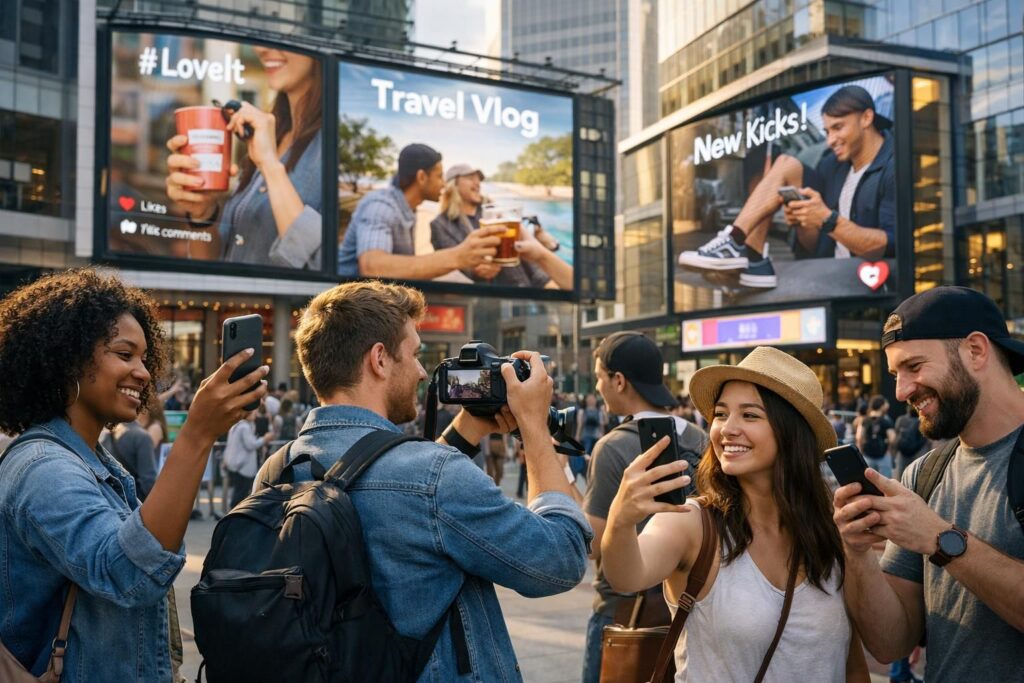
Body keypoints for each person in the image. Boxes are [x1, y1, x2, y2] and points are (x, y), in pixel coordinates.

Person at [253, 280, 591, 680]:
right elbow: (559, 559)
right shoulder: (434, 477)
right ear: (379, 359)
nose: (419, 372)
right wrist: (534, 427)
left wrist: (466, 430)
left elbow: (381, 478)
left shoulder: (277, 470)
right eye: (414, 354)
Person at [0, 268, 268, 681]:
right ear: (67, 359)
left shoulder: (101, 464)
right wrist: (197, 434)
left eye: (144, 358)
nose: (143, 373)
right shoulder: (43, 468)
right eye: (124, 355)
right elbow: (128, 574)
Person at [602, 346, 868, 681]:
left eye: (750, 415)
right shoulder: (692, 522)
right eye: (721, 414)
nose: (727, 429)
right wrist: (622, 518)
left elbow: (851, 661)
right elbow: (627, 576)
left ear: (791, 432)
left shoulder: (834, 527)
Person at [833, 286, 1024, 683]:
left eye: (914, 366)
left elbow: (938, 539)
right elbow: (890, 644)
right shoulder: (923, 474)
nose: (901, 391)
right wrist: (858, 554)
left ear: (975, 350)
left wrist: (941, 539)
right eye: (895, 375)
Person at [580, 332, 709, 683]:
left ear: (618, 380)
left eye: (599, 376)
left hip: (623, 612)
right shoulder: (702, 439)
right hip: (690, 607)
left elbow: (593, 543)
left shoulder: (613, 447)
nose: (597, 386)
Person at [679, 85, 895, 288]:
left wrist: (826, 219)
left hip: (871, 280)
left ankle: (734, 244)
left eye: (838, 128)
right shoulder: (830, 165)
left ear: (867, 118)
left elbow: (889, 247)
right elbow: (814, 246)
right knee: (785, 163)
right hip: (830, 272)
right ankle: (750, 255)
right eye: (827, 131)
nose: (830, 140)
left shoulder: (894, 165)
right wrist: (803, 221)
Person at [165, 47, 323, 269]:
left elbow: (319, 266)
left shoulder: (335, 145)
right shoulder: (269, 135)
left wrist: (269, 165)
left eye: (282, 36)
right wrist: (203, 214)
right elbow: (212, 264)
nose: (261, 48)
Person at [338, 145, 505, 280]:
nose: (443, 184)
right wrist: (458, 257)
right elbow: (373, 267)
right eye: (440, 176)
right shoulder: (381, 206)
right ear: (422, 177)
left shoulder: (408, 209)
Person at [430, 163, 573, 289]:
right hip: (493, 299)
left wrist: (546, 281)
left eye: (478, 179)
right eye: (470, 178)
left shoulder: (496, 213)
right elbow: (453, 266)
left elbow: (523, 251)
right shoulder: (440, 225)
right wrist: (476, 271)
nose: (477, 183)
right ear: (453, 184)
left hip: (529, 289)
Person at [222, 410, 276, 509]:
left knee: (239, 491)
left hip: (237, 464)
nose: (256, 415)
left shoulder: (237, 426)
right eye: (253, 412)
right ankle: (235, 514)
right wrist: (265, 439)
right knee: (241, 492)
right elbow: (251, 445)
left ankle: (234, 513)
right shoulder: (244, 427)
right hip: (243, 466)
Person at [100, 417, 159, 501]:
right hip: (136, 502)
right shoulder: (142, 437)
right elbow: (148, 480)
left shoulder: (108, 434)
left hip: (113, 499)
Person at [857, 394, 895, 478]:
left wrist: (861, 452)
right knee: (885, 482)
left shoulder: (865, 420)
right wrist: (888, 450)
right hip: (883, 456)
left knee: (869, 480)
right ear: (881, 406)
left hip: (867, 455)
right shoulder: (886, 421)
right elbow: (892, 439)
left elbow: (859, 437)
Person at [892, 405, 929, 480]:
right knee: (915, 476)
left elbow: (896, 435)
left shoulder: (901, 419)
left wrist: (894, 453)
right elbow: (924, 438)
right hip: (916, 453)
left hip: (902, 452)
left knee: (899, 476)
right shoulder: (921, 421)